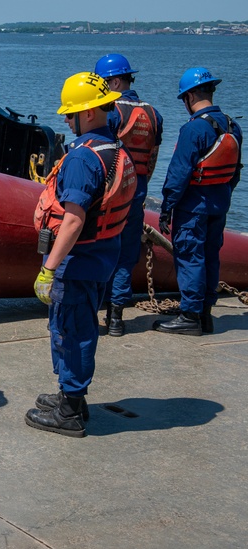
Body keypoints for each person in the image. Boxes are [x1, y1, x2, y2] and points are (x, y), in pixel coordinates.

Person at [28, 72, 137, 438]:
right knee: (77, 326)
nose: (64, 119)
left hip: (79, 262)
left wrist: (49, 267)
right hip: (102, 258)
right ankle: (70, 395)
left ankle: (70, 410)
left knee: (71, 331)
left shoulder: (83, 159)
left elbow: (73, 221)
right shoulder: (115, 150)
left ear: (88, 113)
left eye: (69, 113)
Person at [154, 67, 243, 336]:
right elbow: (235, 171)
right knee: (210, 257)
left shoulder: (193, 130)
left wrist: (167, 207)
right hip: (220, 205)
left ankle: (190, 315)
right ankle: (205, 313)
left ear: (190, 96)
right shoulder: (232, 125)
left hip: (193, 208)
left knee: (190, 258)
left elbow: (178, 173)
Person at [94, 53, 163, 337]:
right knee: (125, 256)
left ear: (116, 80)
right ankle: (117, 319)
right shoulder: (153, 114)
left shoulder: (110, 111)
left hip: (110, 196)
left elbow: (99, 154)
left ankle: (95, 309)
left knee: (97, 252)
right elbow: (153, 157)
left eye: (102, 83)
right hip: (137, 195)